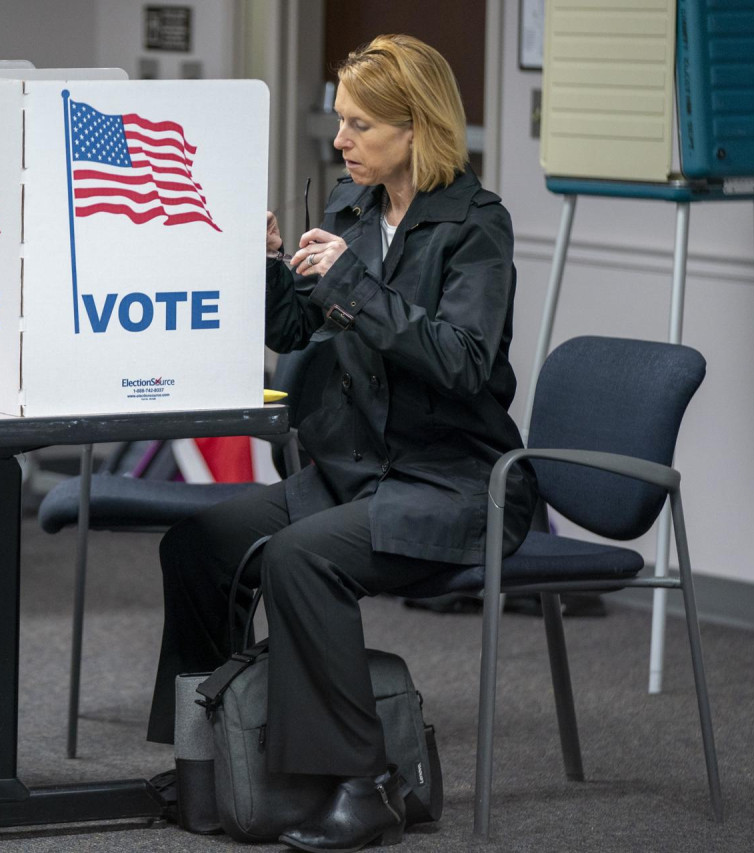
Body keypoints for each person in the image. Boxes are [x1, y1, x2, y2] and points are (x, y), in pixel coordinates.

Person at [147, 34, 538, 851]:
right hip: (355, 473)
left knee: (299, 556)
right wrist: (262, 267)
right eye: (341, 122)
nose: (340, 141)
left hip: (453, 484)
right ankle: (208, 752)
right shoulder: (349, 206)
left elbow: (461, 364)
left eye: (360, 125)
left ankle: (363, 785)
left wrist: (352, 284)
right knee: (199, 546)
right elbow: (298, 327)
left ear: (414, 127)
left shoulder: (477, 228)